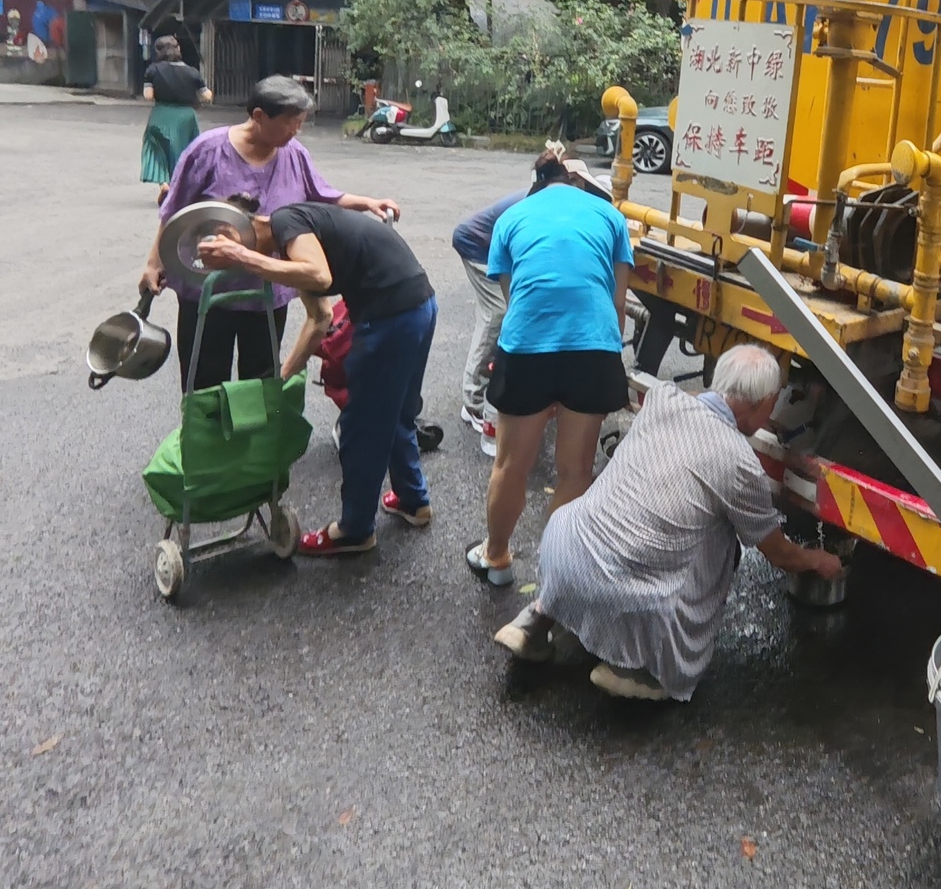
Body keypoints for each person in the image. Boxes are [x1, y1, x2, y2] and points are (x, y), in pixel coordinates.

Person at [496, 343, 844, 700]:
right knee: (721, 542)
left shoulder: (663, 398)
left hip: (562, 552)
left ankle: (536, 618)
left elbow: (704, 404)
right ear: (761, 403)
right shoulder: (739, 463)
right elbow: (779, 552)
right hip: (621, 589)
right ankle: (644, 669)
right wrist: (817, 560)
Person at [198, 201, 437, 556]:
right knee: (399, 412)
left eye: (227, 248)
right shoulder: (294, 242)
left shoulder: (286, 221)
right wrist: (280, 380)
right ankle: (413, 500)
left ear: (235, 230)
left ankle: (355, 530)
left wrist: (242, 257)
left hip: (390, 317)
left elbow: (320, 276)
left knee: (362, 427)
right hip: (419, 305)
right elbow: (319, 319)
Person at [141, 76, 399, 392]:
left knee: (260, 382)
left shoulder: (294, 154)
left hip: (266, 293)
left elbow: (323, 194)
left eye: (300, 123)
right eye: (291, 123)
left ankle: (255, 426)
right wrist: (154, 264)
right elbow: (173, 211)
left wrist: (368, 202)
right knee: (204, 384)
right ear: (260, 116)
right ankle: (207, 426)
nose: (296, 131)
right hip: (208, 291)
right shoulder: (208, 150)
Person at [465, 152, 635, 589]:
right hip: (593, 346)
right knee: (575, 470)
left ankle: (497, 557)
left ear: (537, 183)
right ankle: (553, 575)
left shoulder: (512, 217)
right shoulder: (610, 217)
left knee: (510, 465)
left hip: (528, 347)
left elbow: (513, 299)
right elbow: (617, 302)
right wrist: (599, 355)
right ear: (575, 182)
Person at [450, 144, 614, 456]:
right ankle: (474, 403)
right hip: (478, 246)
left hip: (498, 249)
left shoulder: (557, 200)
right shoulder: (536, 202)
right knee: (499, 316)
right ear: (573, 180)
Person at [139, 34, 212, 199]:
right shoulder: (192, 71)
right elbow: (207, 95)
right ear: (178, 49)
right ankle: (180, 186)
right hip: (186, 116)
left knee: (156, 148)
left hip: (161, 114)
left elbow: (148, 95)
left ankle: (164, 183)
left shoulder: (152, 70)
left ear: (158, 51)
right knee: (184, 151)